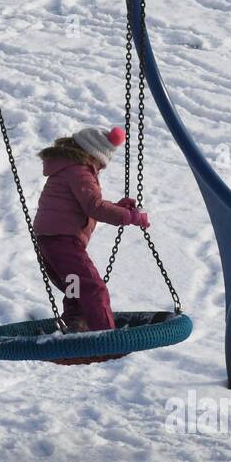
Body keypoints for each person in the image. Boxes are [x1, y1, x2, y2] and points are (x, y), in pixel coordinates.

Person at [31, 126, 148, 332]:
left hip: (49, 241)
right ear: (92, 154)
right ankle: (106, 337)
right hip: (63, 241)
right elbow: (94, 206)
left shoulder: (67, 168)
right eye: (100, 164)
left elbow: (87, 204)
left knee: (74, 287)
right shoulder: (79, 171)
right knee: (93, 288)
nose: (100, 169)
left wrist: (118, 208)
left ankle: (76, 326)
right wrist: (129, 216)